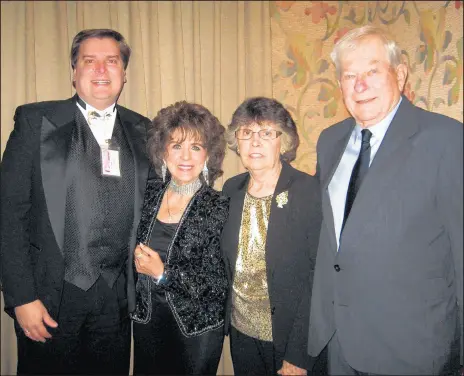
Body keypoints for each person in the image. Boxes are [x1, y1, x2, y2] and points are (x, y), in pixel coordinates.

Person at [307, 25, 463, 375]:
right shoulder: (329, 141)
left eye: (372, 71)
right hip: (339, 342)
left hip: (412, 349)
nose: (360, 85)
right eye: (349, 76)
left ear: (401, 74)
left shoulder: (446, 140)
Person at [0, 29, 153, 375]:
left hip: (117, 300)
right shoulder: (34, 121)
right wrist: (21, 297)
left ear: (124, 73)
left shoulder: (145, 130)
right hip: (50, 297)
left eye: (112, 61)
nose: (101, 69)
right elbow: (9, 214)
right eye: (89, 61)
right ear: (74, 71)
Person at [220, 97, 324, 375]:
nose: (255, 142)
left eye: (266, 133)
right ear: (236, 141)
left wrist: (299, 354)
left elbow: (321, 276)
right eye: (246, 133)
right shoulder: (231, 189)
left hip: (291, 340)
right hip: (242, 333)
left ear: (284, 142)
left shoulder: (307, 191)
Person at [130, 101, 229, 375]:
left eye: (195, 147)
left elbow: (218, 286)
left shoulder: (218, 206)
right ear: (163, 152)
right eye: (176, 146)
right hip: (148, 324)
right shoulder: (148, 196)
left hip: (193, 330)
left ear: (208, 155)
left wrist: (163, 273)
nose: (185, 157)